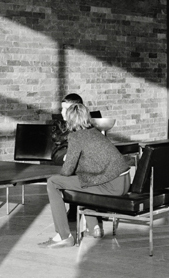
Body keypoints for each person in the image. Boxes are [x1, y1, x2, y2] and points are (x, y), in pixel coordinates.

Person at [39, 103, 129, 249]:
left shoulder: (76, 136)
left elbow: (66, 172)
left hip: (112, 185)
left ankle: (63, 236)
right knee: (84, 180)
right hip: (123, 181)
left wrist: (68, 160)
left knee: (53, 182)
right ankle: (94, 228)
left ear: (70, 120)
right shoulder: (94, 132)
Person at [51, 93, 83, 166]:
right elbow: (57, 144)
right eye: (62, 108)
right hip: (62, 154)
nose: (62, 112)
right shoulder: (59, 125)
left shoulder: (85, 125)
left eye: (67, 109)